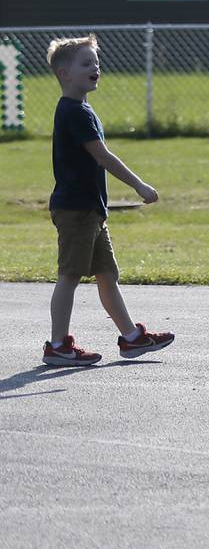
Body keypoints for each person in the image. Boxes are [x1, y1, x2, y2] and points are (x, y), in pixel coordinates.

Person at [42, 34, 174, 366]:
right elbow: (103, 157)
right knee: (69, 276)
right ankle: (58, 345)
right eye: (86, 63)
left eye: (96, 62)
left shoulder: (81, 109)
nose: (95, 68)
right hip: (76, 210)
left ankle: (131, 339)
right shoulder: (75, 113)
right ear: (64, 74)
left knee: (106, 275)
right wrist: (139, 185)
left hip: (90, 210)